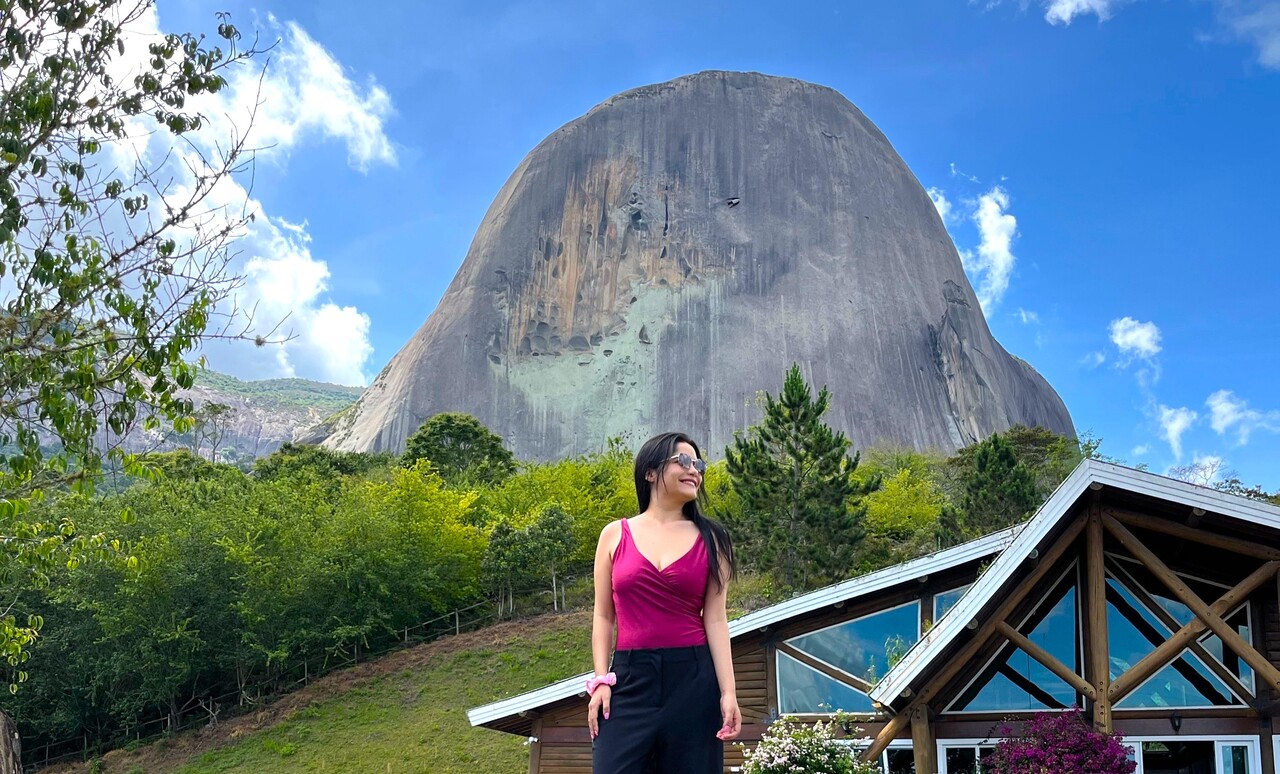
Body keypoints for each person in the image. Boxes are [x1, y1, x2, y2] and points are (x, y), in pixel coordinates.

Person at [587, 432, 740, 773]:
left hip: (693, 680)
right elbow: (603, 616)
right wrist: (600, 680)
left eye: (698, 464)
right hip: (628, 679)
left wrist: (728, 692)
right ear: (651, 472)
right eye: (683, 461)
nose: (694, 470)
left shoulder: (714, 539)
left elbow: (715, 619)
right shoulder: (614, 534)